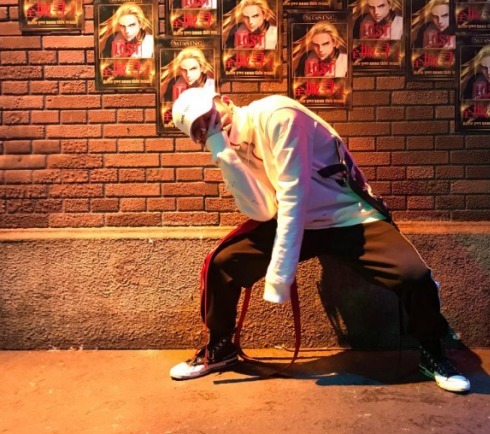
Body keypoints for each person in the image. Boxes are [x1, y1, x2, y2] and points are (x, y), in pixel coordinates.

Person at [167, 87, 471, 394]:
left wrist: (280, 276)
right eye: (200, 130)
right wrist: (224, 154)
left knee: (413, 275)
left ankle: (432, 351)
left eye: (209, 116)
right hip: (300, 223)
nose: (210, 127)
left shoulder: (277, 115)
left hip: (347, 216)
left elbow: (293, 194)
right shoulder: (229, 147)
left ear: (226, 101)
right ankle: (220, 348)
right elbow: (262, 211)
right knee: (222, 263)